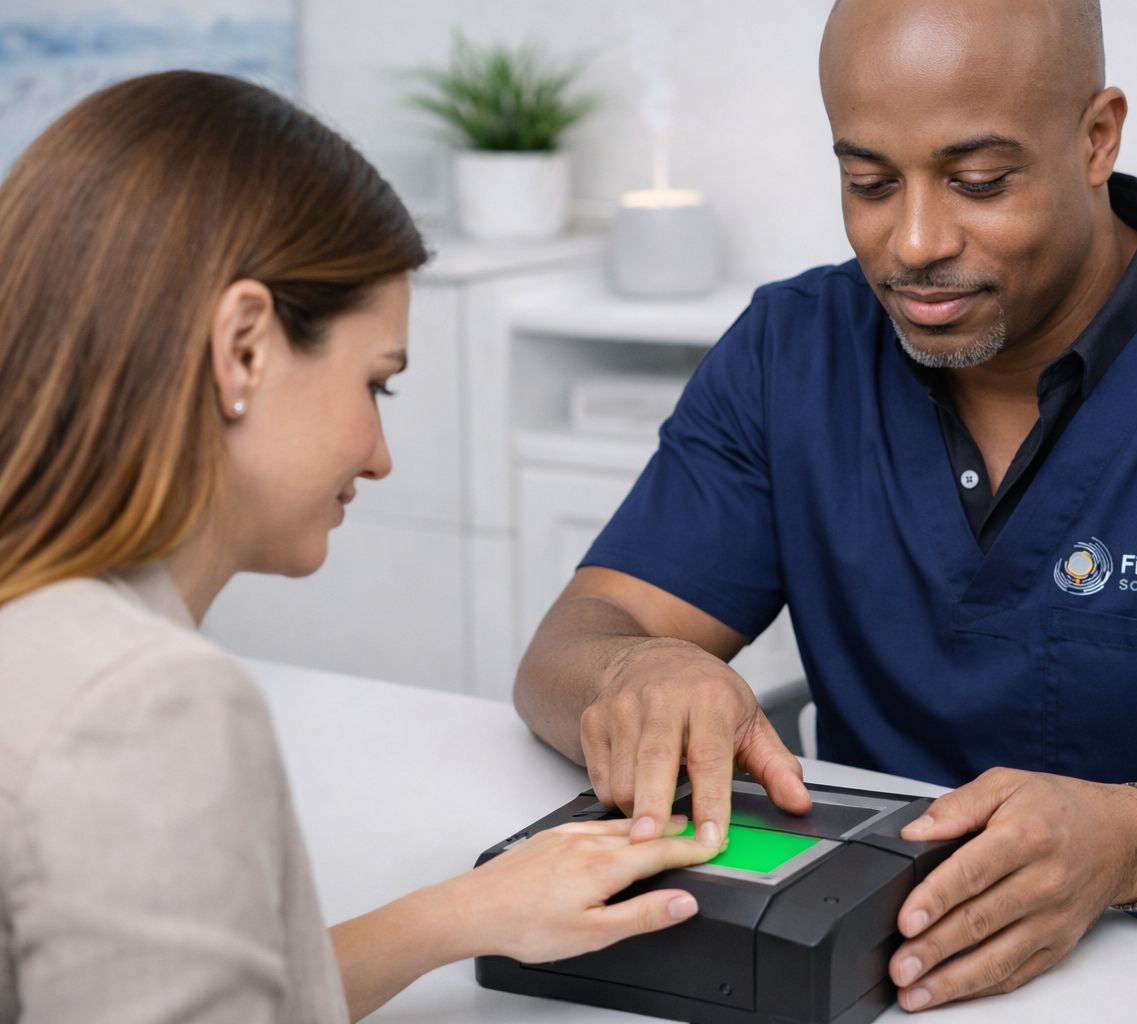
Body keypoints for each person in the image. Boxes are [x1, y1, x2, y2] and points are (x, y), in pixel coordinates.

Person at [513, 2, 1137, 1022]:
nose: (912, 241)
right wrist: (635, 669)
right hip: (875, 976)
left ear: (1098, 138)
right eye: (868, 181)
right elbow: (576, 644)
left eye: (979, 181)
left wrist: (1133, 843)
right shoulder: (794, 353)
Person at [0, 71, 716, 1024]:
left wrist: (458, 915)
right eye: (378, 385)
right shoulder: (147, 705)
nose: (379, 458)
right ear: (244, 348)